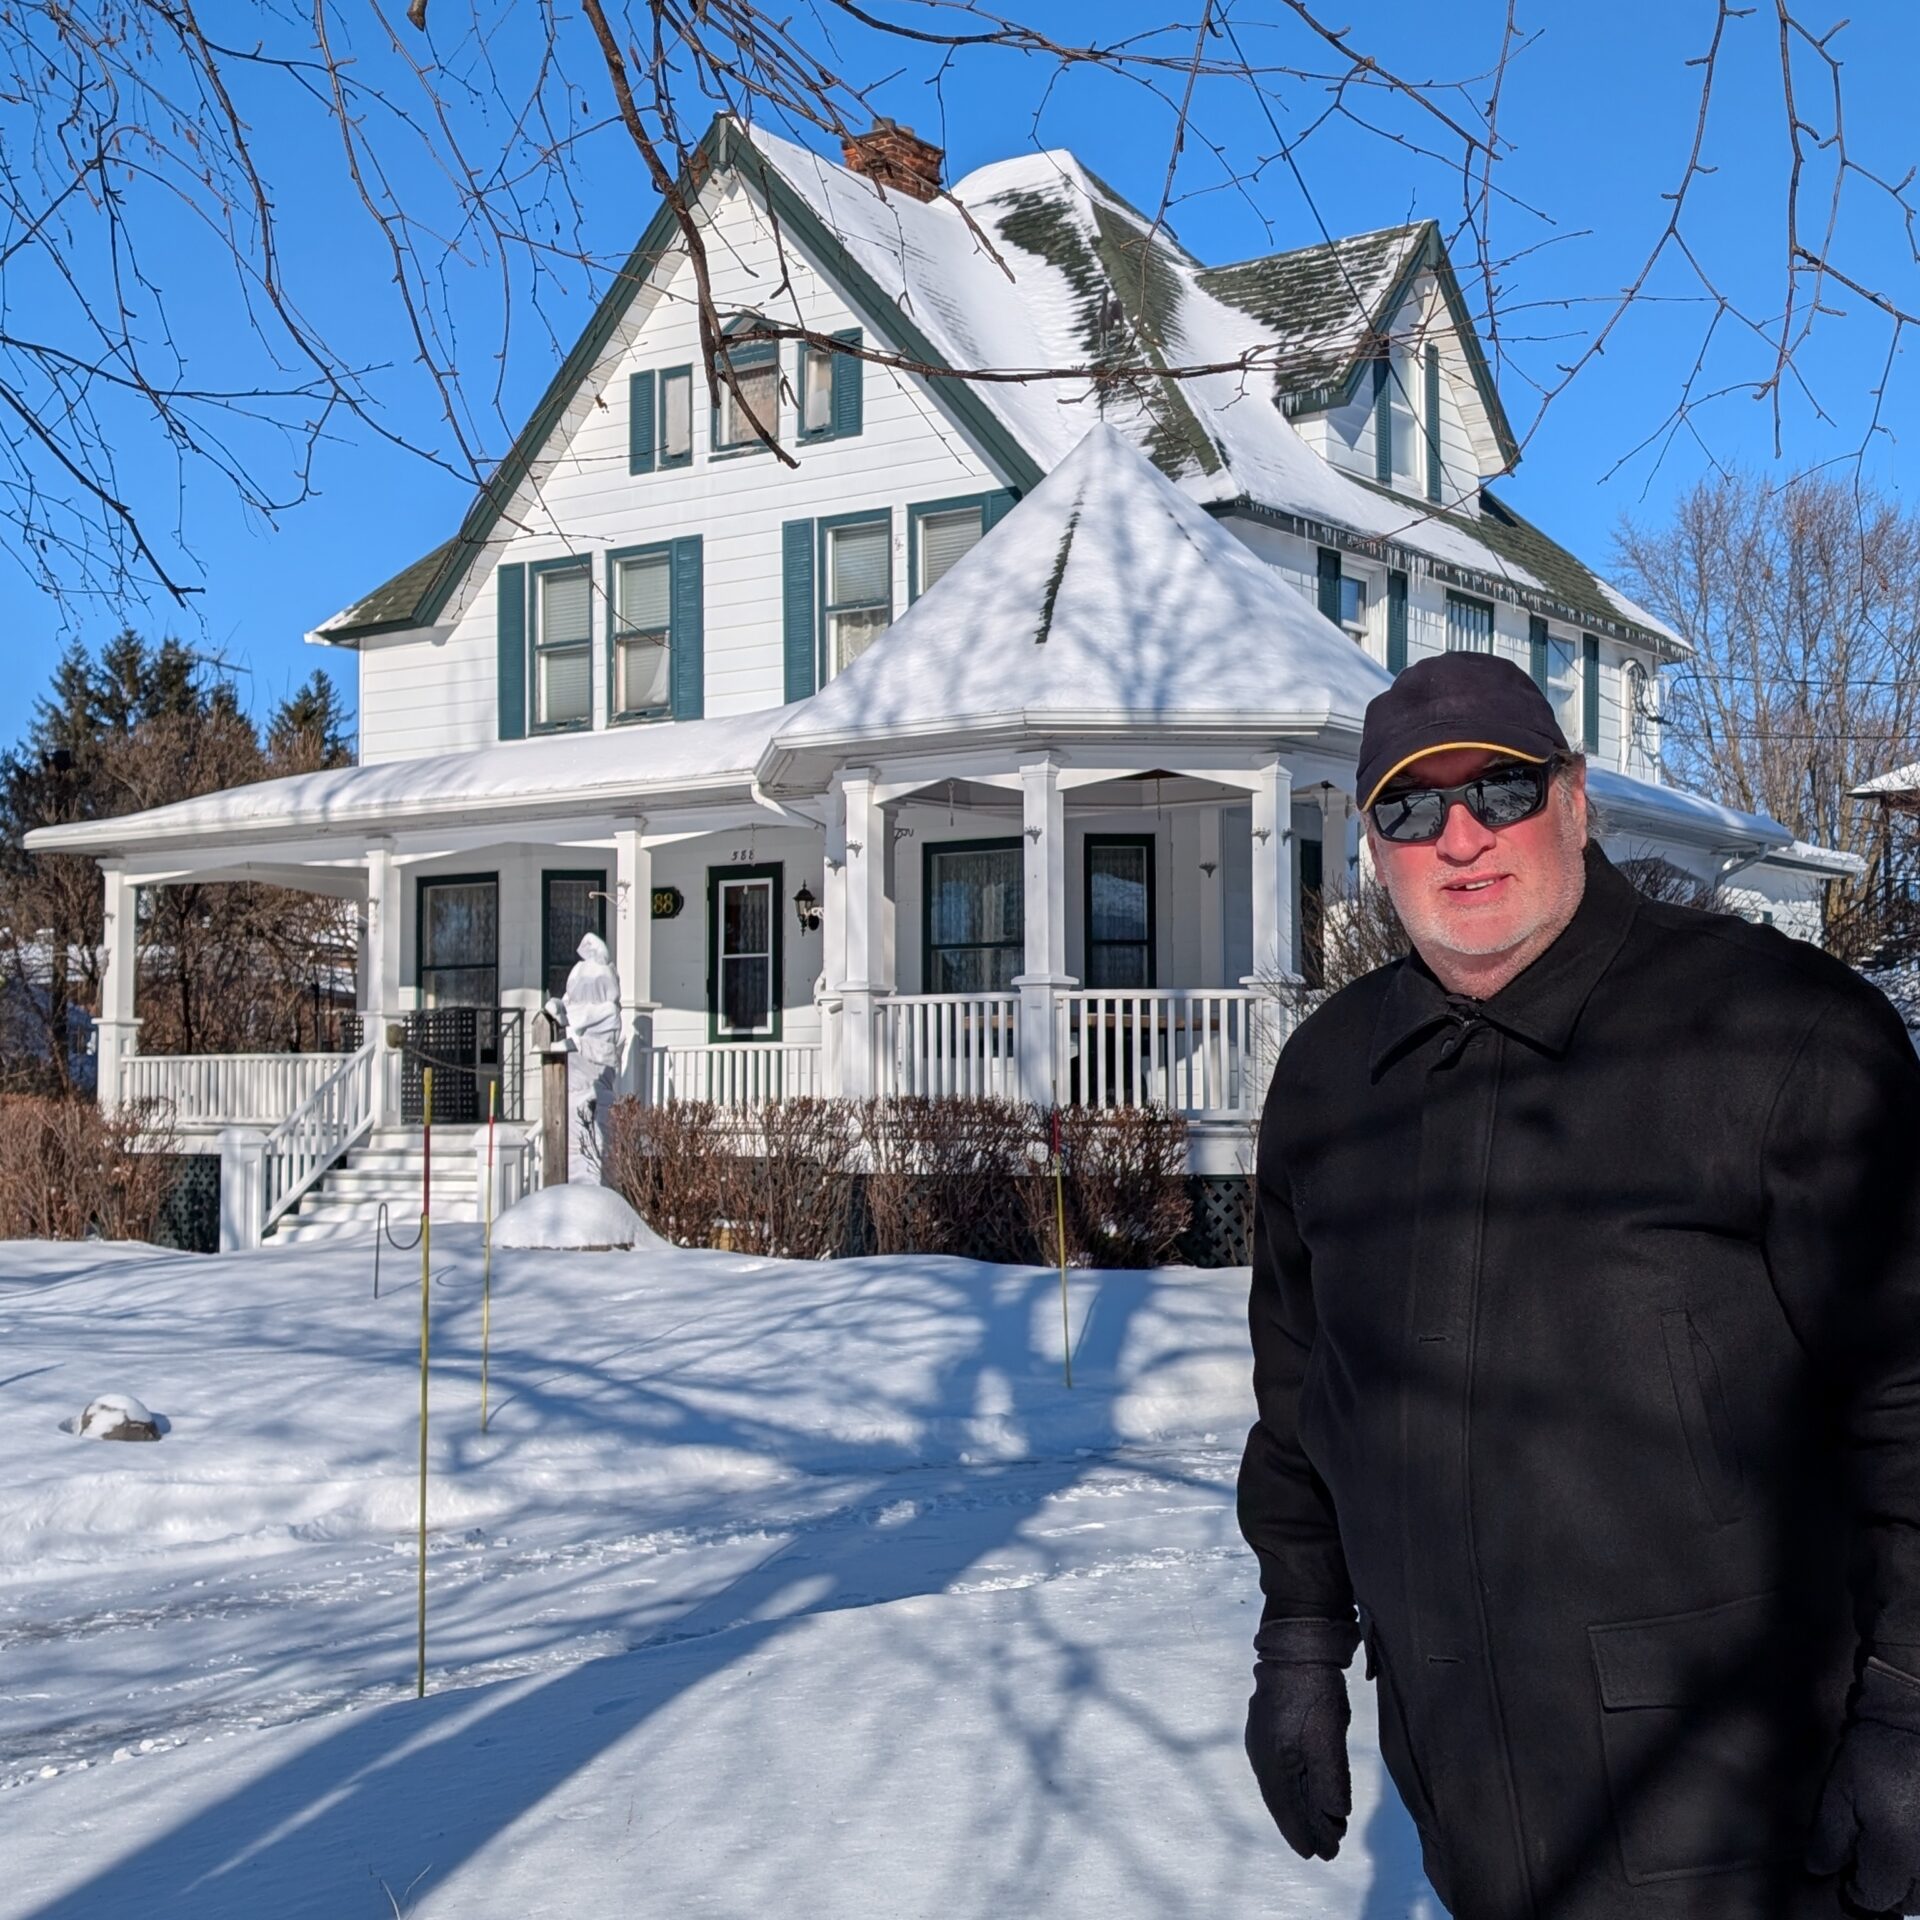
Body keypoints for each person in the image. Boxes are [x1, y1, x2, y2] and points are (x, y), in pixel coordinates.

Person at [1237, 651, 1920, 1919]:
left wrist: (1911, 1713)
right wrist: (1301, 1643)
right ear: (1371, 845)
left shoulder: (1778, 1034)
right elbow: (1302, 1405)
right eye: (1408, 807)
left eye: (1499, 788)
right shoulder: (1335, 1081)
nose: (1459, 837)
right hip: (1472, 1806)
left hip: (1755, 1813)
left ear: (1574, 795)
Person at [559, 931, 621, 1180]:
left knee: (592, 1164)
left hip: (592, 1102)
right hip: (578, 1104)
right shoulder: (594, 1016)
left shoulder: (602, 1017)